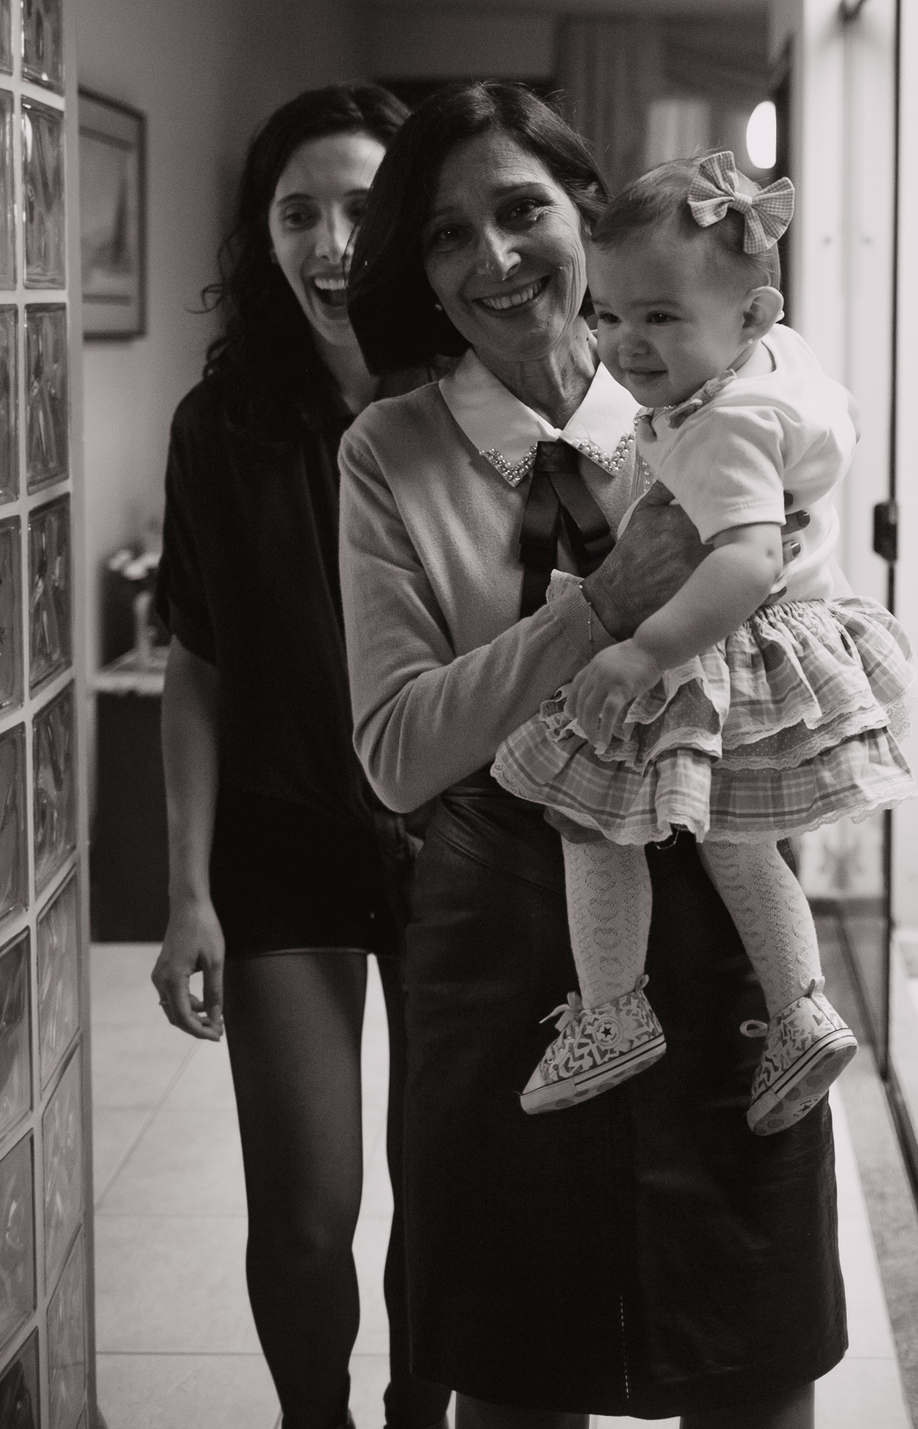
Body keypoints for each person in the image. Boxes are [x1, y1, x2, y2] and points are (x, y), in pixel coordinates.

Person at [339, 82, 847, 1429]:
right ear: (420, 271)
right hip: (504, 951)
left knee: (753, 1366)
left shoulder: (726, 405)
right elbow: (398, 752)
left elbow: (795, 641)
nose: (495, 259)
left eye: (522, 211)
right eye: (448, 236)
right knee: (520, 1378)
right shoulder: (388, 453)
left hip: (725, 933)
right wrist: (608, 606)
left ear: (584, 211)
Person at [493, 150, 918, 1131]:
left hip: (726, 634)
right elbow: (837, 424)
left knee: (588, 815)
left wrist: (641, 652)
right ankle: (802, 1009)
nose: (624, 344)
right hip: (803, 626)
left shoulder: (725, 426)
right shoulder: (779, 359)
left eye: (659, 317)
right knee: (738, 836)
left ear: (753, 315)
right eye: (606, 313)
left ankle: (612, 1012)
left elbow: (747, 562)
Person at [150, 84, 451, 1429]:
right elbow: (197, 660)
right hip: (283, 843)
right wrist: (186, 894)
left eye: (362, 209)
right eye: (296, 214)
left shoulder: (476, 406)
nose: (331, 244)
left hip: (463, 839)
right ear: (261, 235)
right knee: (308, 1213)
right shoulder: (220, 426)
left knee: (445, 1200)